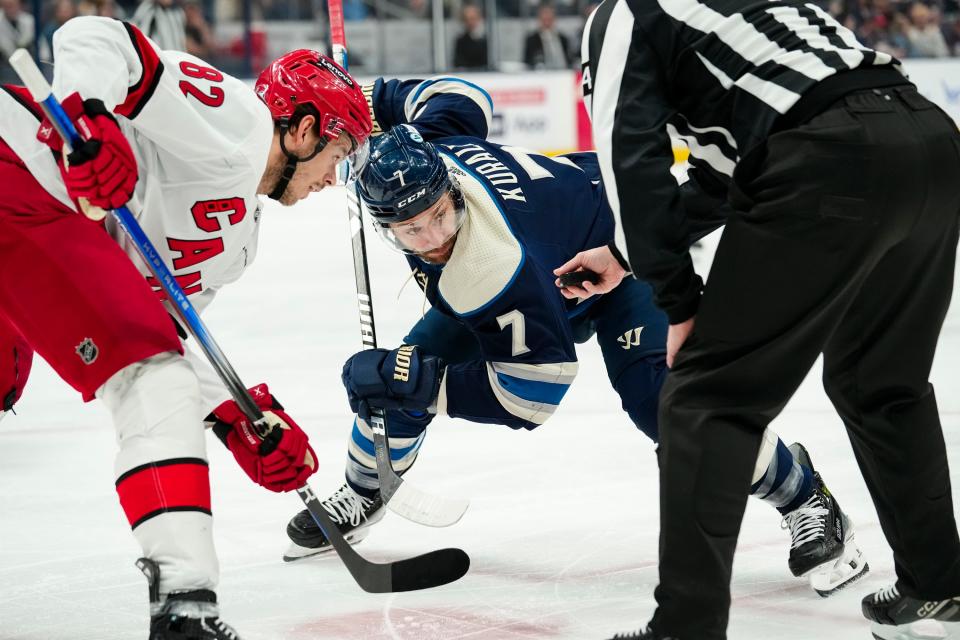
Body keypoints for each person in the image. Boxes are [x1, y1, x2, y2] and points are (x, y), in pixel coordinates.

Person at [280, 92, 868, 599]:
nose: (432, 238)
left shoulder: (487, 264)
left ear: (450, 189)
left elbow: (535, 392)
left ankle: (803, 495)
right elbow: (457, 95)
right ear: (382, 224)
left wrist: (421, 387)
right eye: (410, 230)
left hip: (620, 251)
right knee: (401, 371)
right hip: (544, 256)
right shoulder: (435, 147)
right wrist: (369, 96)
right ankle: (366, 490)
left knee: (663, 401)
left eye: (439, 215)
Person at [562, 0, 960, 638]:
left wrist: (678, 301)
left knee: (705, 401)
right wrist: (623, 258)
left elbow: (630, 161)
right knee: (880, 384)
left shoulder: (625, 14)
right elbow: (728, 171)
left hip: (829, 152)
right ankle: (939, 586)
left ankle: (685, 629)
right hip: (930, 142)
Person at [0, 15, 374, 639]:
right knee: (153, 380)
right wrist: (85, 119)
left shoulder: (240, 244)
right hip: (19, 168)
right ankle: (185, 606)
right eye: (336, 154)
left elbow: (159, 325)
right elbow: (96, 36)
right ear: (304, 130)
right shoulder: (239, 123)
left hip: (35, 234)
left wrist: (237, 417)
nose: (332, 179)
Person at [523, 2, 574, 69]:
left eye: (549, 19)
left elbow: (570, 60)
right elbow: (527, 63)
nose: (547, 22)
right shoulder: (531, 40)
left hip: (564, 73)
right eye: (544, 19)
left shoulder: (563, 39)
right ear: (539, 19)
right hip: (541, 76)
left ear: (554, 19)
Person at [453, 4, 488, 70]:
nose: (470, 22)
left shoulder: (486, 39)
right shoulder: (461, 40)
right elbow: (458, 63)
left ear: (479, 19)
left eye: (472, 18)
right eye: (467, 19)